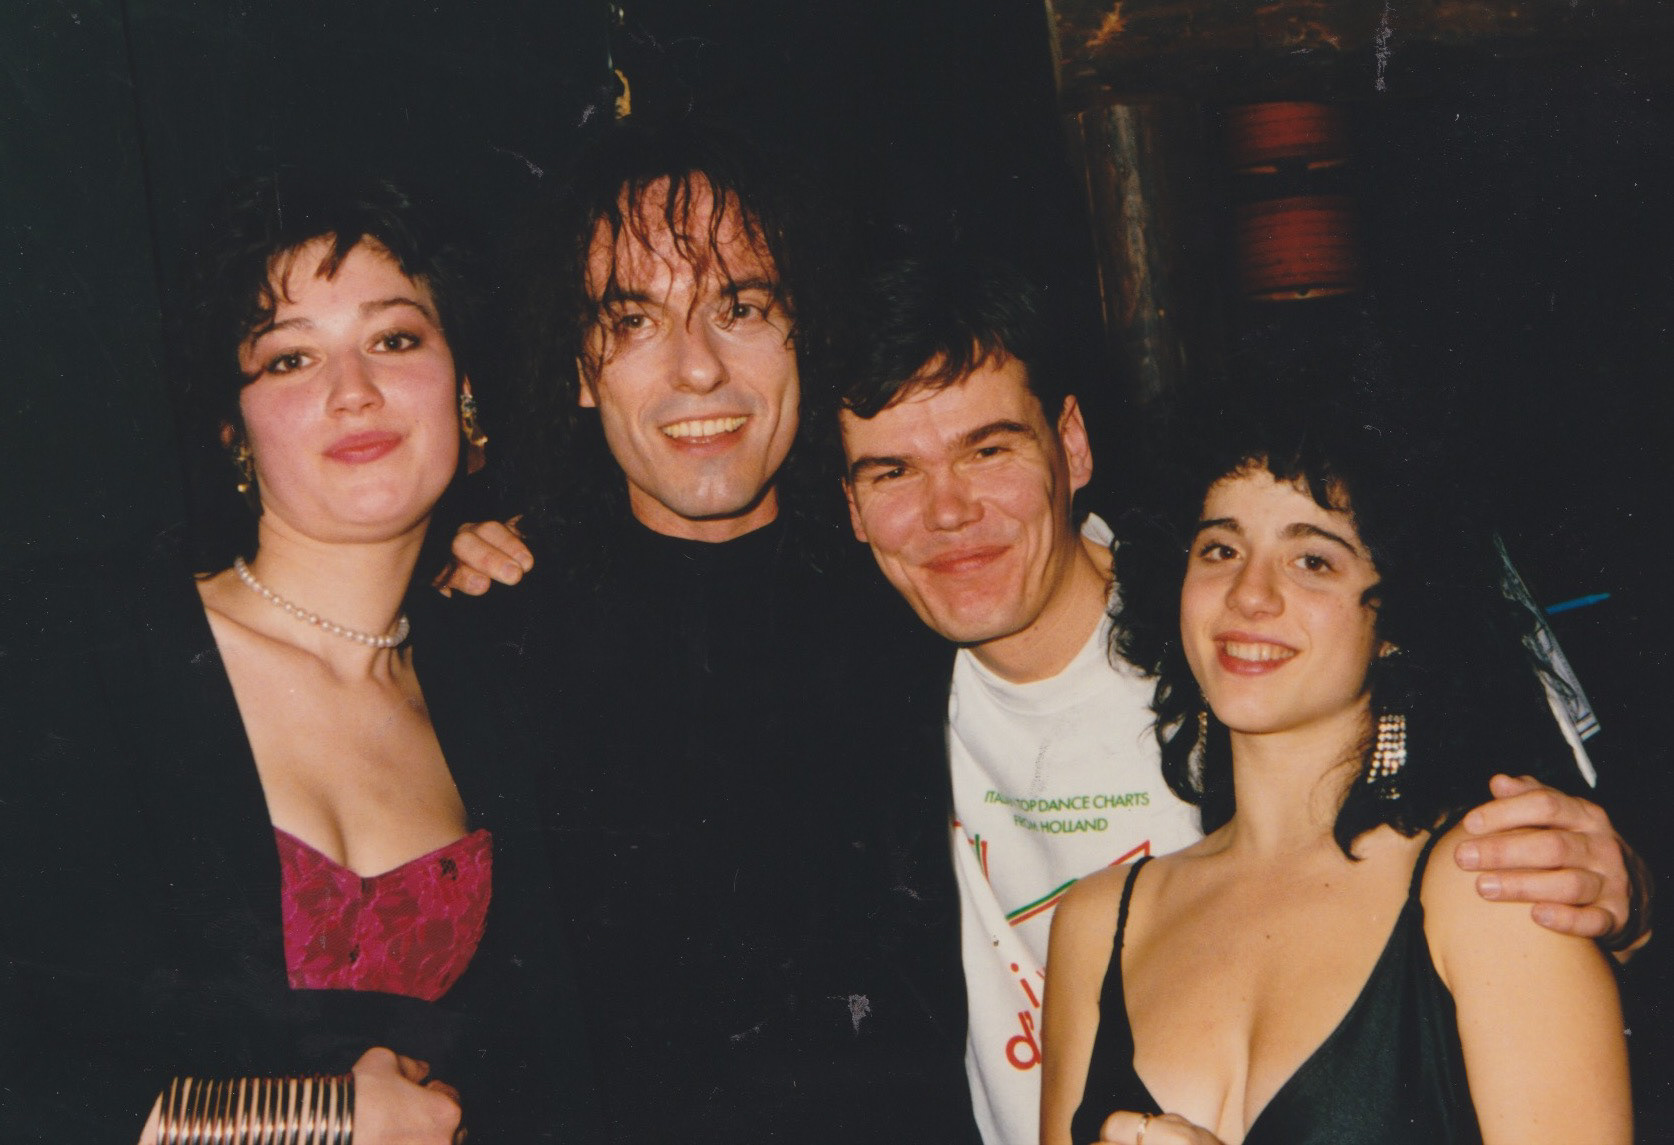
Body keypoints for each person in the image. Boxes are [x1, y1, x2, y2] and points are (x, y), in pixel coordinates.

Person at [832, 251, 1647, 1144]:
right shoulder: (868, 712)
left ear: (1071, 442)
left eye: (988, 449)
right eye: (891, 472)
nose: (947, 511)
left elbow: (1579, 850)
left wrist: (1637, 897)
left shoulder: (1473, 877)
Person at [0, 175, 596, 1143]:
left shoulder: (499, 681)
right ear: (233, 429)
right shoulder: (70, 650)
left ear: (465, 388)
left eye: (394, 339)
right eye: (289, 358)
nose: (353, 390)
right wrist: (307, 1117)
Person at [444, 120, 978, 1142]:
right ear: (580, 369)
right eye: (635, 319)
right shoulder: (493, 637)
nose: (697, 369)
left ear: (807, 333)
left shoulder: (924, 597)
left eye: (742, 308)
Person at [1039, 400, 1632, 1144]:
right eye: (1220, 549)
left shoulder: (1494, 890)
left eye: (1312, 560)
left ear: (1398, 619)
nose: (1249, 593)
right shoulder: (1097, 924)